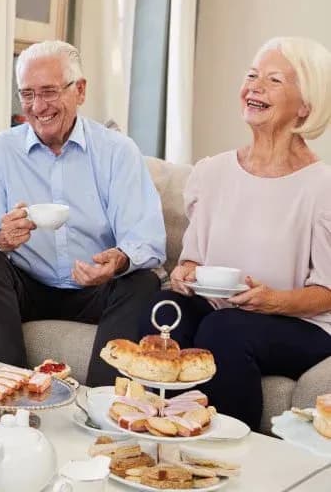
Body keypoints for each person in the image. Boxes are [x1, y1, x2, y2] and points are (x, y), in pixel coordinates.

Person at [141, 37, 331, 431]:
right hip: (226, 311)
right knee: (163, 310)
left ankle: (228, 449)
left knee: (224, 329)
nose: (254, 87)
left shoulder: (322, 186)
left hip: (305, 325)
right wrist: (185, 273)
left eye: (273, 80)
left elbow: (326, 293)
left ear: (306, 105)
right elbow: (192, 258)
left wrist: (271, 301)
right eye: (251, 76)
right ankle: (161, 431)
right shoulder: (213, 173)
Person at [0, 40, 166, 386]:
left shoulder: (117, 152)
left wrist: (116, 260)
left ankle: (102, 404)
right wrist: (0, 238)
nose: (38, 106)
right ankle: (12, 393)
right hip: (29, 286)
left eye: (48, 92)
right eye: (27, 94)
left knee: (143, 281)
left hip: (96, 289)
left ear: (80, 90)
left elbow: (147, 242)